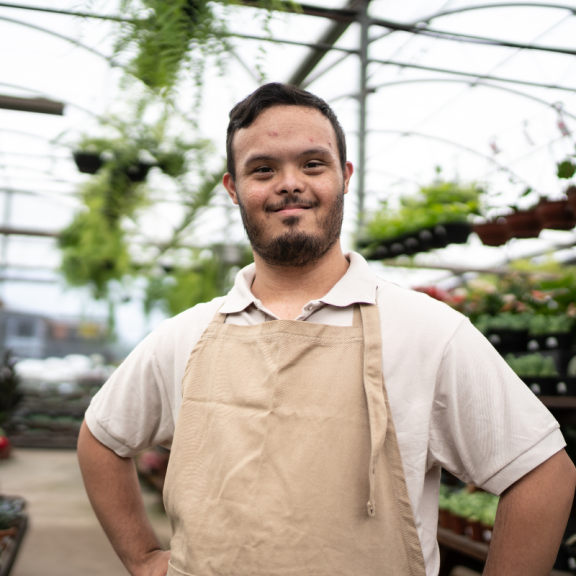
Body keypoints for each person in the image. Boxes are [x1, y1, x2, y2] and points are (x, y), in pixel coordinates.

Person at [78, 82, 576, 576]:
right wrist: (142, 558)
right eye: (263, 169)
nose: (290, 183)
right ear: (233, 188)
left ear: (345, 176)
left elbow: (543, 474)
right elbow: (101, 438)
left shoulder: (429, 332)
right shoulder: (183, 337)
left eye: (313, 164)